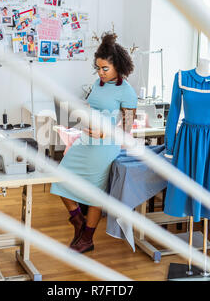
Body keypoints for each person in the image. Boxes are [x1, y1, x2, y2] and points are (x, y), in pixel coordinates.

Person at [50, 32, 138, 253]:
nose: (100, 72)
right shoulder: (98, 83)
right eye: (97, 68)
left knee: (94, 193)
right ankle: (79, 221)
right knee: (60, 179)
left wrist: (104, 134)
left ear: (118, 66)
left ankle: (87, 238)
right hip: (85, 140)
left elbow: (126, 129)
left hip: (104, 147)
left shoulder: (127, 92)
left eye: (105, 68)